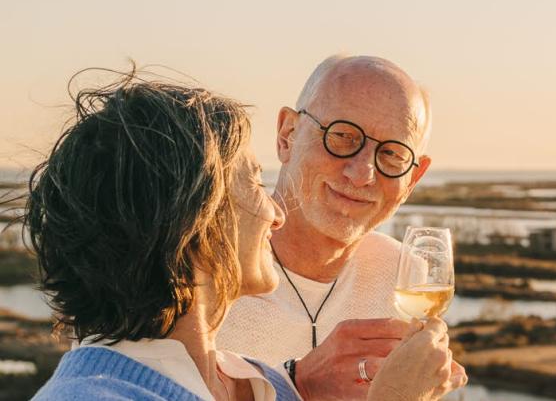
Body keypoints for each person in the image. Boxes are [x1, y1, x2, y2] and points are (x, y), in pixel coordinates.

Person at [22, 70, 465, 401]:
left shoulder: (253, 382)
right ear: (191, 216)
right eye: (254, 183)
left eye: (391, 153)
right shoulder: (94, 393)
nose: (276, 213)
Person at [218, 55, 463, 401]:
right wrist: (294, 383)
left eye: (393, 154)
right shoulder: (201, 271)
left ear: (414, 178)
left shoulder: (403, 275)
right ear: (287, 135)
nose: (362, 173)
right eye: (344, 137)